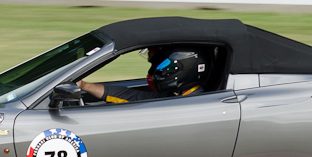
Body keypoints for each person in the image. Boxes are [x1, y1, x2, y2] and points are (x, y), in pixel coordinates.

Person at [76, 46, 211, 103]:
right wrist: (84, 85)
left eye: (167, 68)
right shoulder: (175, 95)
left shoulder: (194, 103)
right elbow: (131, 97)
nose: (161, 72)